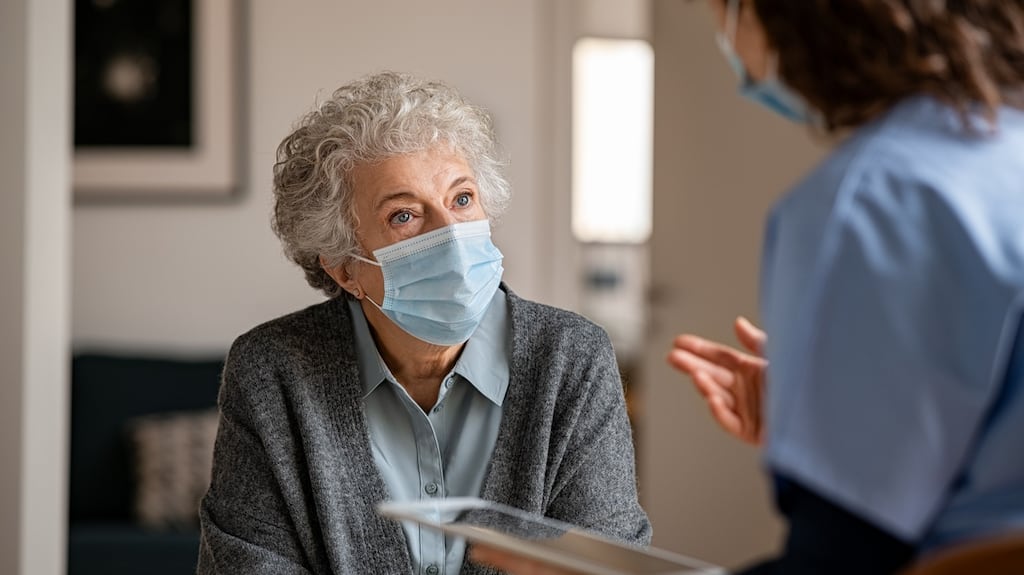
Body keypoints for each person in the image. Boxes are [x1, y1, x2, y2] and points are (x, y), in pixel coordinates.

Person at [474, 0, 1024, 574]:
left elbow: (841, 562)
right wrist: (831, 419)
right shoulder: (1001, 150)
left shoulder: (873, 200)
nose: (724, 36)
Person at [196, 71, 651, 575]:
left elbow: (606, 560)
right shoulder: (273, 372)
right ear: (345, 268)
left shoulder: (572, 359)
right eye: (404, 216)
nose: (453, 237)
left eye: (461, 199)